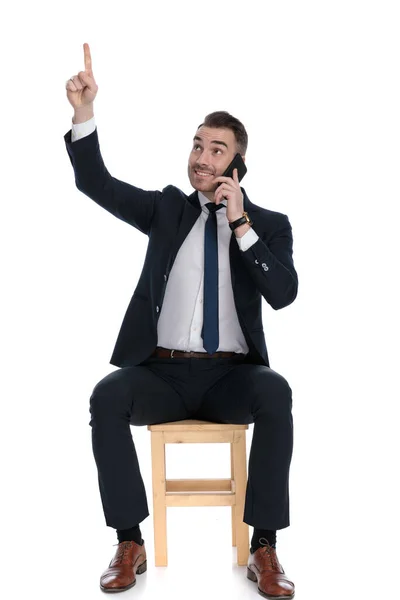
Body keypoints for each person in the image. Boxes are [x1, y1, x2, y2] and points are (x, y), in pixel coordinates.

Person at [64, 42, 298, 598]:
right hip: (162, 376)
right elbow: (95, 183)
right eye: (197, 144)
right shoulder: (166, 209)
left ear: (237, 165)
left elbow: (285, 293)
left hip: (231, 378)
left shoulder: (269, 225)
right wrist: (83, 113)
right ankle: (129, 540)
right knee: (106, 396)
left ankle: (264, 546)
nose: (201, 156)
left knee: (277, 392)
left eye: (216, 150)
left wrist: (242, 227)